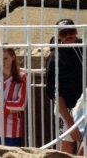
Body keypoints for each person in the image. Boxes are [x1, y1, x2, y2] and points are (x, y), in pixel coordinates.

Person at [46, 19, 83, 154]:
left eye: (71, 31)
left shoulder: (82, 48)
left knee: (84, 145)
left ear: (76, 32)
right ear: (58, 37)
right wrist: (70, 123)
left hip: (84, 105)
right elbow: (56, 94)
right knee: (68, 145)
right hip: (66, 109)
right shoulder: (54, 58)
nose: (68, 35)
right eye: (63, 33)